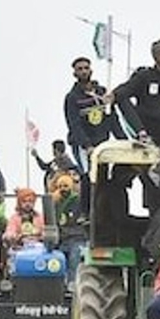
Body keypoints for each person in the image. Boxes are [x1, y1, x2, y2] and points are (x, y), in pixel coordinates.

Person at [64, 56, 129, 210]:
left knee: (104, 177)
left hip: (102, 142)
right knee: (88, 175)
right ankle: (85, 212)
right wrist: (87, 146)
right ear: (74, 73)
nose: (83, 71)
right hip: (83, 144)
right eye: (79, 69)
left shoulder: (102, 93)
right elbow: (74, 125)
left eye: (86, 68)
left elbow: (113, 119)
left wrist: (124, 141)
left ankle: (103, 210)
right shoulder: (72, 98)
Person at [51, 172, 86, 283]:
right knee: (58, 263)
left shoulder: (78, 201)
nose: (63, 189)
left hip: (77, 238)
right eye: (60, 186)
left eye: (65, 186)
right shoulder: (56, 202)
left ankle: (73, 286)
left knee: (74, 261)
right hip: (62, 239)